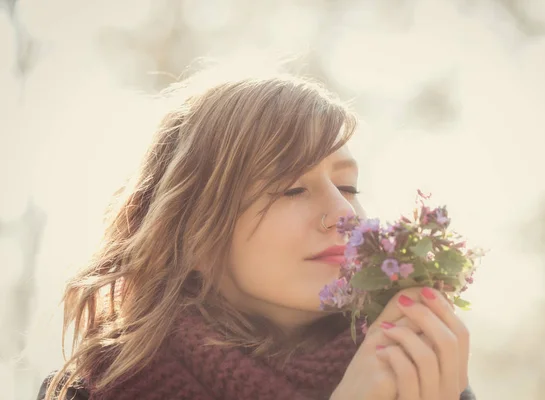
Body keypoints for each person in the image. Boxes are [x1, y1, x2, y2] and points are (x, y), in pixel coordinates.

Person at [38, 71, 476, 400]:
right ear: (190, 233)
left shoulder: (421, 374)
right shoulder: (88, 391)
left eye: (348, 188)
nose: (344, 214)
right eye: (292, 188)